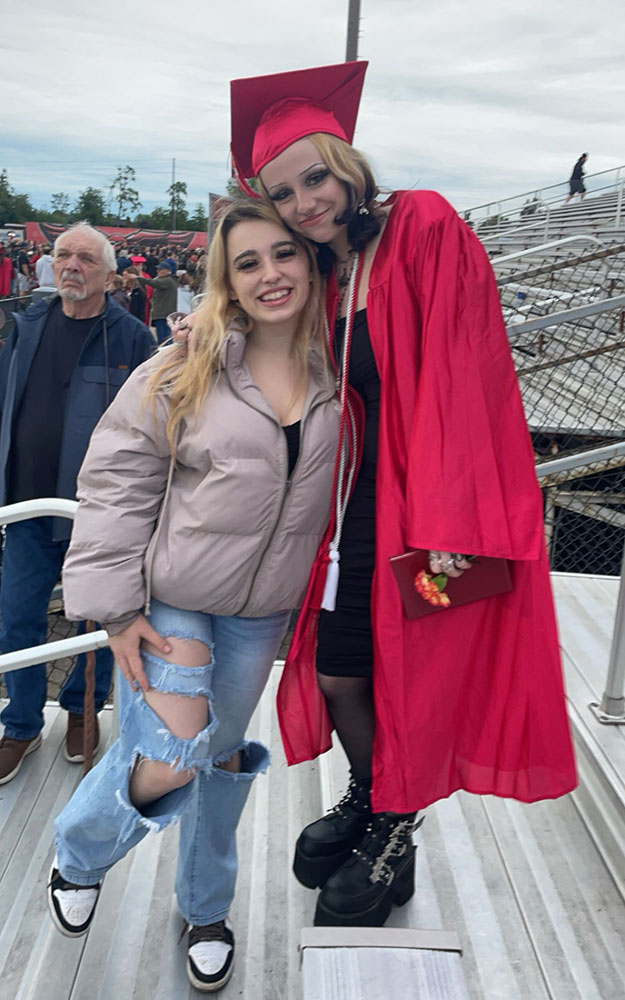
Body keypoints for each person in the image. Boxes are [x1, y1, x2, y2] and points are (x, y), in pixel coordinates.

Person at [177, 60, 577, 928]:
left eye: (314, 177)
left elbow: (467, 372)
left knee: (417, 671)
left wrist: (450, 523)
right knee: (341, 671)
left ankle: (391, 830)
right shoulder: (322, 274)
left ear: (346, 164)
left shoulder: (421, 224)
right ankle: (377, 797)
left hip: (433, 507)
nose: (304, 202)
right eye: (284, 193)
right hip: (351, 509)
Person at [49, 201, 339, 993]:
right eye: (247, 262)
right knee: (175, 754)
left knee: (216, 761)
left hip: (260, 611)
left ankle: (206, 907)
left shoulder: (343, 372)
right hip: (174, 594)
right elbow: (117, 480)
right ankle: (79, 854)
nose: (269, 274)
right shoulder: (185, 365)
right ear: (227, 281)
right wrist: (114, 608)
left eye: (284, 254)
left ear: (312, 263)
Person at [0, 223, 154, 785]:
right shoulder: (26, 326)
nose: (71, 265)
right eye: (63, 254)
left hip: (99, 515)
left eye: (86, 258)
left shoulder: (133, 338)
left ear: (109, 276)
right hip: (26, 506)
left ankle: (82, 709)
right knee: (16, 618)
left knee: (98, 622)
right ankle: (20, 724)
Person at [136, 260, 178, 343]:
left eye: (159, 269)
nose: (157, 271)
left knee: (163, 339)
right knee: (165, 337)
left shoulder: (167, 281)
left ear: (166, 270)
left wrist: (138, 278)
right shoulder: (170, 280)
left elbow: (153, 283)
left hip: (163, 314)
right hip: (164, 314)